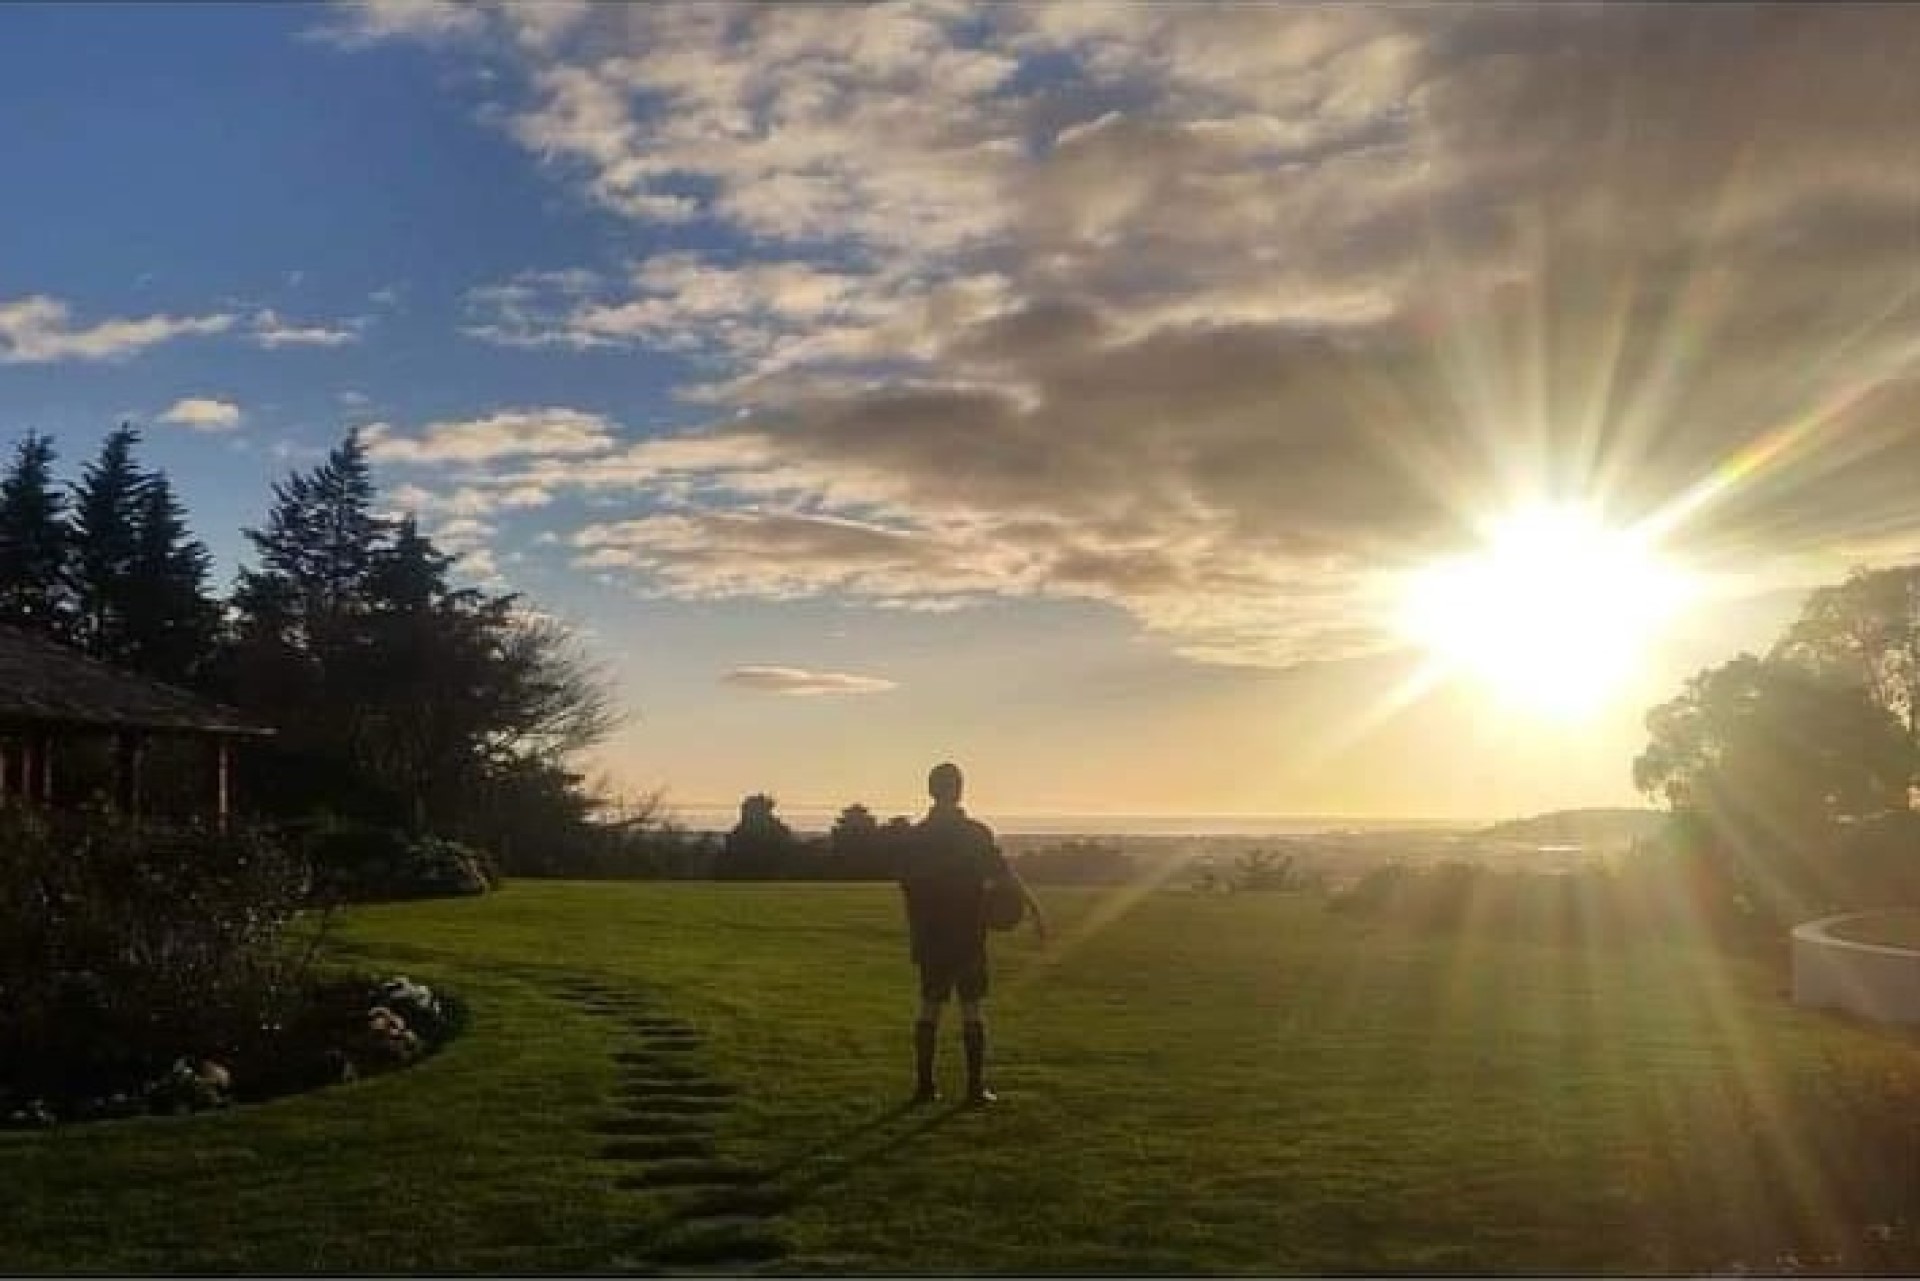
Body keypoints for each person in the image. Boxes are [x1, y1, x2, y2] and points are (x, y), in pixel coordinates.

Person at [897, 761, 1046, 1106]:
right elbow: (1005, 875)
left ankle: (925, 1087)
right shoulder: (975, 834)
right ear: (960, 790)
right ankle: (975, 1088)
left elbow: (906, 883)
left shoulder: (917, 837)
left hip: (931, 934)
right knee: (971, 1007)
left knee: (929, 1006)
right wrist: (1035, 910)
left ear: (931, 790)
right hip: (967, 932)